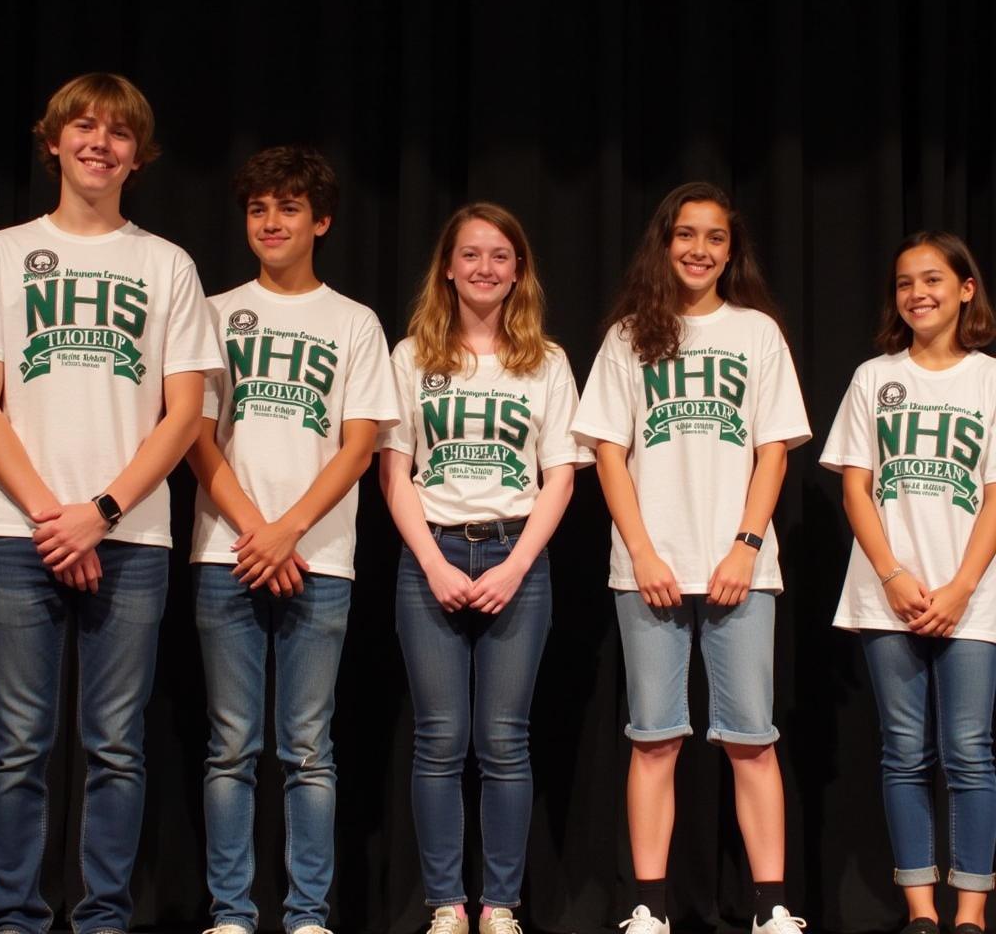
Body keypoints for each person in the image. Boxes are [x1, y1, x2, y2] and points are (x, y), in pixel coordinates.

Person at [0, 72, 222, 934]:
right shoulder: (3, 253)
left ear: (137, 157)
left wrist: (102, 511)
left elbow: (184, 411)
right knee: (19, 747)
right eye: (83, 127)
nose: (99, 143)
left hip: (132, 537)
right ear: (52, 142)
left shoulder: (166, 265)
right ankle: (15, 918)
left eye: (118, 133)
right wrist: (54, 515)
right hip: (18, 533)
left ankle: (104, 917)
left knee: (115, 747)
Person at [572, 182, 811, 934]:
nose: (699, 249)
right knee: (655, 738)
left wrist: (744, 546)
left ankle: (773, 908)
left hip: (742, 567)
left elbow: (773, 453)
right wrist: (642, 552)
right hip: (651, 569)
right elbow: (610, 455)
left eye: (714, 237)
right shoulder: (627, 336)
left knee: (751, 740)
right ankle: (648, 905)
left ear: (730, 249)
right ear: (664, 242)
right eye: (686, 235)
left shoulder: (757, 334)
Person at [188, 145, 400, 934]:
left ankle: (308, 913)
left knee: (308, 746)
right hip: (227, 552)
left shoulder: (353, 322)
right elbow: (194, 434)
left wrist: (289, 531)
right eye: (257, 209)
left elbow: (357, 445)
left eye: (287, 208)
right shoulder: (209, 310)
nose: (271, 222)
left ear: (322, 221)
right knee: (231, 746)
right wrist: (255, 529)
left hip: (320, 557)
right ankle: (233, 914)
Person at [378, 202, 588, 934]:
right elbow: (394, 473)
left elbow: (560, 475)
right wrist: (431, 560)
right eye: (471, 254)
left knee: (504, 738)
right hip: (430, 554)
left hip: (514, 556)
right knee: (439, 737)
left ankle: (499, 904)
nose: (485, 268)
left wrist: (517, 564)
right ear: (447, 266)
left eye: (501, 256)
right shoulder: (411, 358)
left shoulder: (548, 361)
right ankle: (446, 904)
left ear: (519, 270)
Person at [821, 231, 996, 934]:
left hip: (972, 594)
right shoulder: (873, 377)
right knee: (903, 750)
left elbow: (993, 493)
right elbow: (856, 488)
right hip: (886, 593)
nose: (917, 294)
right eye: (903, 283)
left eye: (931, 280)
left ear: (965, 288)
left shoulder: (989, 379)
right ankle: (922, 911)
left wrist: (957, 588)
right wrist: (893, 574)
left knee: (969, 751)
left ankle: (972, 913)